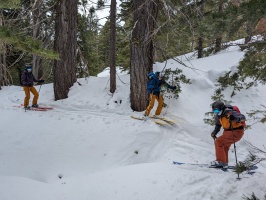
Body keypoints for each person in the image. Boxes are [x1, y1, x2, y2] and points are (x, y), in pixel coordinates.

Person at [210, 100, 246, 167]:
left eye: (217, 111)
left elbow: (242, 117)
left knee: (219, 141)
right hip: (227, 132)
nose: (216, 113)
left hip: (236, 131)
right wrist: (214, 133)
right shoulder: (218, 115)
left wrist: (234, 118)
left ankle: (220, 161)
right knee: (224, 146)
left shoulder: (229, 112)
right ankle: (224, 162)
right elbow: (218, 125)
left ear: (221, 108)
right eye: (214, 111)